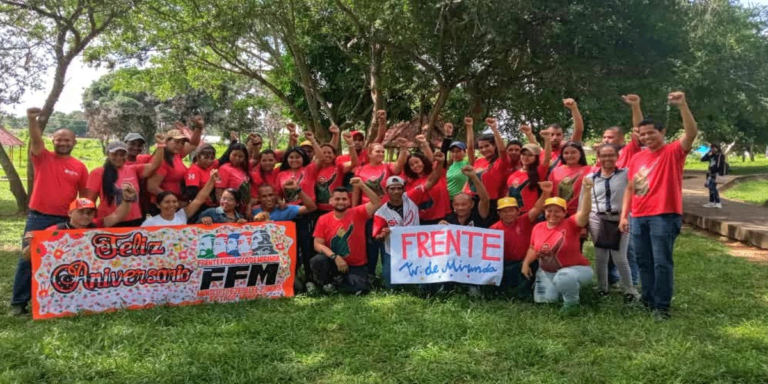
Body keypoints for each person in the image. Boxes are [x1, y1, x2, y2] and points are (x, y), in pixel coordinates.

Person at [619, 91, 698, 321]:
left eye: (651, 133)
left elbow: (691, 132)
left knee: (662, 262)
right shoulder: (637, 158)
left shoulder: (673, 151)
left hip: (663, 215)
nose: (646, 137)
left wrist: (682, 105)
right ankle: (647, 299)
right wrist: (625, 215)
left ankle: (661, 306)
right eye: (642, 134)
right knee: (643, 261)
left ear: (662, 132)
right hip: (638, 216)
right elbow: (631, 188)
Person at [11, 107, 89, 316]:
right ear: (53, 140)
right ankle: (18, 303)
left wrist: (84, 219)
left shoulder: (79, 167)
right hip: (38, 218)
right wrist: (31, 119)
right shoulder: (43, 157)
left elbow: (83, 198)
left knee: (64, 261)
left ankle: (59, 300)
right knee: (28, 259)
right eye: (59, 139)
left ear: (74, 143)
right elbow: (36, 141)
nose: (63, 143)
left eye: (67, 140)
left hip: (66, 220)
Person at [522, 178, 594, 315]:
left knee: (564, 277)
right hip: (547, 272)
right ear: (545, 212)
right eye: (549, 210)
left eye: (557, 211)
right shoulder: (538, 227)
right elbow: (532, 248)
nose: (553, 214)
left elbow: (585, 212)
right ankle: (566, 290)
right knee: (545, 301)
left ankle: (572, 304)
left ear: (564, 212)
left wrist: (587, 191)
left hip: (575, 270)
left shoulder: (571, 224)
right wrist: (526, 263)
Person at [373, 152, 445, 288]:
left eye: (399, 188)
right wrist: (382, 235)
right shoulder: (381, 212)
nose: (396, 192)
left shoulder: (410, 197)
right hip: (392, 250)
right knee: (391, 286)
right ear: (387, 191)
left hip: (415, 247)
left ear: (403, 190)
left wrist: (440, 163)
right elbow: (377, 237)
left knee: (424, 286)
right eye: (392, 189)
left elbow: (431, 181)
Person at [21, 184, 140, 265]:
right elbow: (27, 257)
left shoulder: (96, 225)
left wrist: (127, 200)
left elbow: (118, 216)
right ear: (70, 213)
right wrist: (32, 245)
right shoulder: (55, 230)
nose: (86, 216)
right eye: (81, 212)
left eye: (89, 213)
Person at [581, 144, 640, 301]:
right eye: (604, 155)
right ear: (598, 158)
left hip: (620, 218)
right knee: (601, 256)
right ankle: (602, 287)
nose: (607, 158)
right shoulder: (589, 179)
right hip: (597, 218)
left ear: (617, 156)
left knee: (620, 256)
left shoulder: (626, 174)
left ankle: (629, 290)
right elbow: (584, 202)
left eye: (611, 155)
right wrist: (583, 225)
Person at [311, 178, 383, 294]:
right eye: (337, 199)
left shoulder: (358, 213)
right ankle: (327, 283)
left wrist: (362, 186)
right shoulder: (323, 219)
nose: (341, 202)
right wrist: (335, 257)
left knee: (360, 289)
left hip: (356, 264)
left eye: (344, 199)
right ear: (331, 201)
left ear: (349, 202)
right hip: (334, 261)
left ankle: (343, 281)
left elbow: (377, 202)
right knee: (318, 260)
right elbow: (317, 244)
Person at [489, 181, 552, 299]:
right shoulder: (493, 229)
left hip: (527, 261)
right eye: (504, 211)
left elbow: (537, 208)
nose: (508, 214)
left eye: (511, 210)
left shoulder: (525, 220)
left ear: (518, 211)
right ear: (499, 213)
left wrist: (545, 192)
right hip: (505, 264)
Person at [84, 138, 165, 228]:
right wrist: (89, 221)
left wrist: (161, 146)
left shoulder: (133, 169)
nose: (118, 157)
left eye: (122, 154)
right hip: (109, 221)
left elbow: (155, 165)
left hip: (134, 220)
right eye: (114, 154)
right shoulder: (97, 173)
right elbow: (90, 200)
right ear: (108, 154)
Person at [355, 140, 408, 277]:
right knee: (370, 244)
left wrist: (403, 149)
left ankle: (390, 274)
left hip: (387, 212)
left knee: (388, 243)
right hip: (368, 212)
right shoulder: (360, 169)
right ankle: (370, 274)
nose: (381, 153)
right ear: (369, 153)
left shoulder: (388, 167)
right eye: (377, 151)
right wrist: (354, 212)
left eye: (382, 151)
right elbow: (356, 192)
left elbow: (399, 165)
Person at [146, 117, 204, 204]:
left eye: (182, 143)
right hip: (163, 206)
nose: (180, 145)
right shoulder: (161, 160)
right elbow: (152, 187)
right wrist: (172, 201)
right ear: (166, 141)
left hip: (175, 202)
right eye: (176, 142)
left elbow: (193, 144)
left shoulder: (176, 154)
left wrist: (199, 127)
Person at [522, 98, 584, 172]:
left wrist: (574, 108)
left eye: (558, 135)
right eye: (551, 134)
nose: (555, 137)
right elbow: (535, 147)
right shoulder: (542, 153)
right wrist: (529, 134)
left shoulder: (567, 151)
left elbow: (579, 131)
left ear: (562, 136)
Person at [142, 169, 219, 227]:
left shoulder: (182, 216)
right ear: (158, 205)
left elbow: (199, 199)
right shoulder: (150, 223)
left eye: (174, 201)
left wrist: (211, 180)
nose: (171, 205)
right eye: (167, 202)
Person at [305, 129, 357, 213]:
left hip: (336, 209)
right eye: (324, 152)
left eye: (329, 153)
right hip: (317, 209)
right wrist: (312, 140)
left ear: (334, 156)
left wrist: (351, 144)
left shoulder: (338, 168)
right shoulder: (314, 169)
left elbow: (354, 162)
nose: (326, 155)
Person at [403, 133, 451, 224]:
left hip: (443, 217)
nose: (415, 166)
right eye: (411, 165)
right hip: (423, 221)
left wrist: (424, 143)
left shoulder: (437, 172)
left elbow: (435, 161)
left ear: (424, 161)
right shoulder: (411, 184)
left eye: (417, 162)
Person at [463, 117, 509, 210]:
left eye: (487, 146)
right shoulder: (479, 161)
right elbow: (470, 149)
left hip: (488, 203)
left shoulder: (500, 163)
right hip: (469, 200)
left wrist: (494, 129)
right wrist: (469, 127)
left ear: (494, 145)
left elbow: (502, 150)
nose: (484, 149)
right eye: (481, 147)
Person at [507, 130, 551, 214]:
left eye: (530, 155)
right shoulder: (513, 174)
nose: (526, 157)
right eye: (523, 154)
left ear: (536, 157)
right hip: (514, 214)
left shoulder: (538, 172)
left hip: (531, 214)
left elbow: (547, 158)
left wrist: (547, 140)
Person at [548, 141, 590, 216]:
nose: (570, 155)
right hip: (558, 213)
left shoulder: (590, 170)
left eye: (573, 152)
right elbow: (550, 193)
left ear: (580, 153)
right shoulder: (555, 171)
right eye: (566, 153)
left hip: (580, 213)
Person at [439, 122, 473, 199]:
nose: (455, 154)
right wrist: (448, 135)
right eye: (453, 151)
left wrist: (469, 127)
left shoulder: (468, 164)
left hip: (461, 201)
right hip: (446, 200)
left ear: (465, 152)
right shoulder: (449, 166)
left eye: (458, 151)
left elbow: (471, 149)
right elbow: (442, 153)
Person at [251, 182, 317, 222]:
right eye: (264, 196)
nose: (268, 199)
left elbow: (311, 207)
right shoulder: (253, 211)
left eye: (271, 195)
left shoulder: (285, 209)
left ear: (275, 196)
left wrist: (297, 189)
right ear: (259, 198)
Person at [185, 144, 219, 219]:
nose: (209, 161)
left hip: (211, 205)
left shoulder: (210, 167)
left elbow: (224, 158)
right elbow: (192, 194)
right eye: (206, 158)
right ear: (198, 157)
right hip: (200, 208)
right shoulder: (193, 170)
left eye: (212, 158)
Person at [215, 142, 251, 211]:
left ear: (244, 158)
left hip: (242, 210)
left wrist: (248, 208)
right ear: (229, 154)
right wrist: (225, 211)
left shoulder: (244, 169)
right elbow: (219, 192)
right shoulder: (224, 169)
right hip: (230, 210)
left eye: (240, 156)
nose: (237, 158)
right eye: (234, 155)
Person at [701, 143, 726, 209]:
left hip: (715, 173)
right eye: (711, 148)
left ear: (717, 148)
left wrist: (717, 172)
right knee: (710, 187)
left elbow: (719, 165)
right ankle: (711, 202)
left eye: (713, 147)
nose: (712, 149)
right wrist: (708, 154)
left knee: (712, 187)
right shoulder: (711, 155)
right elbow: (703, 159)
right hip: (710, 173)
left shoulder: (720, 155)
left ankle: (718, 202)